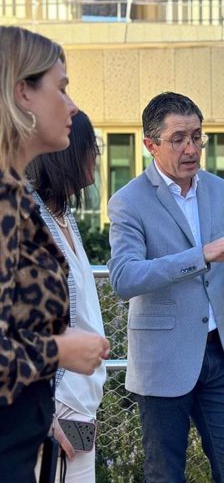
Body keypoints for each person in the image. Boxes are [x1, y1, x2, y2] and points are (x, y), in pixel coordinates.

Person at [107, 92, 224, 483]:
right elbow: (124, 278)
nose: (191, 148)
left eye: (197, 137)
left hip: (219, 354)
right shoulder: (128, 201)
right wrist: (200, 255)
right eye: (179, 138)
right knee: (165, 475)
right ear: (151, 144)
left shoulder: (219, 190)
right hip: (162, 360)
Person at [0, 25, 109, 482]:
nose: (74, 106)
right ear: (23, 92)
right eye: (61, 89)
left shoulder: (21, 201)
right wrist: (58, 350)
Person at [26, 110, 107, 483]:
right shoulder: (32, 218)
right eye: (94, 146)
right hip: (54, 410)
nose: (98, 155)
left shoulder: (64, 215)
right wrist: (45, 416)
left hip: (81, 409)